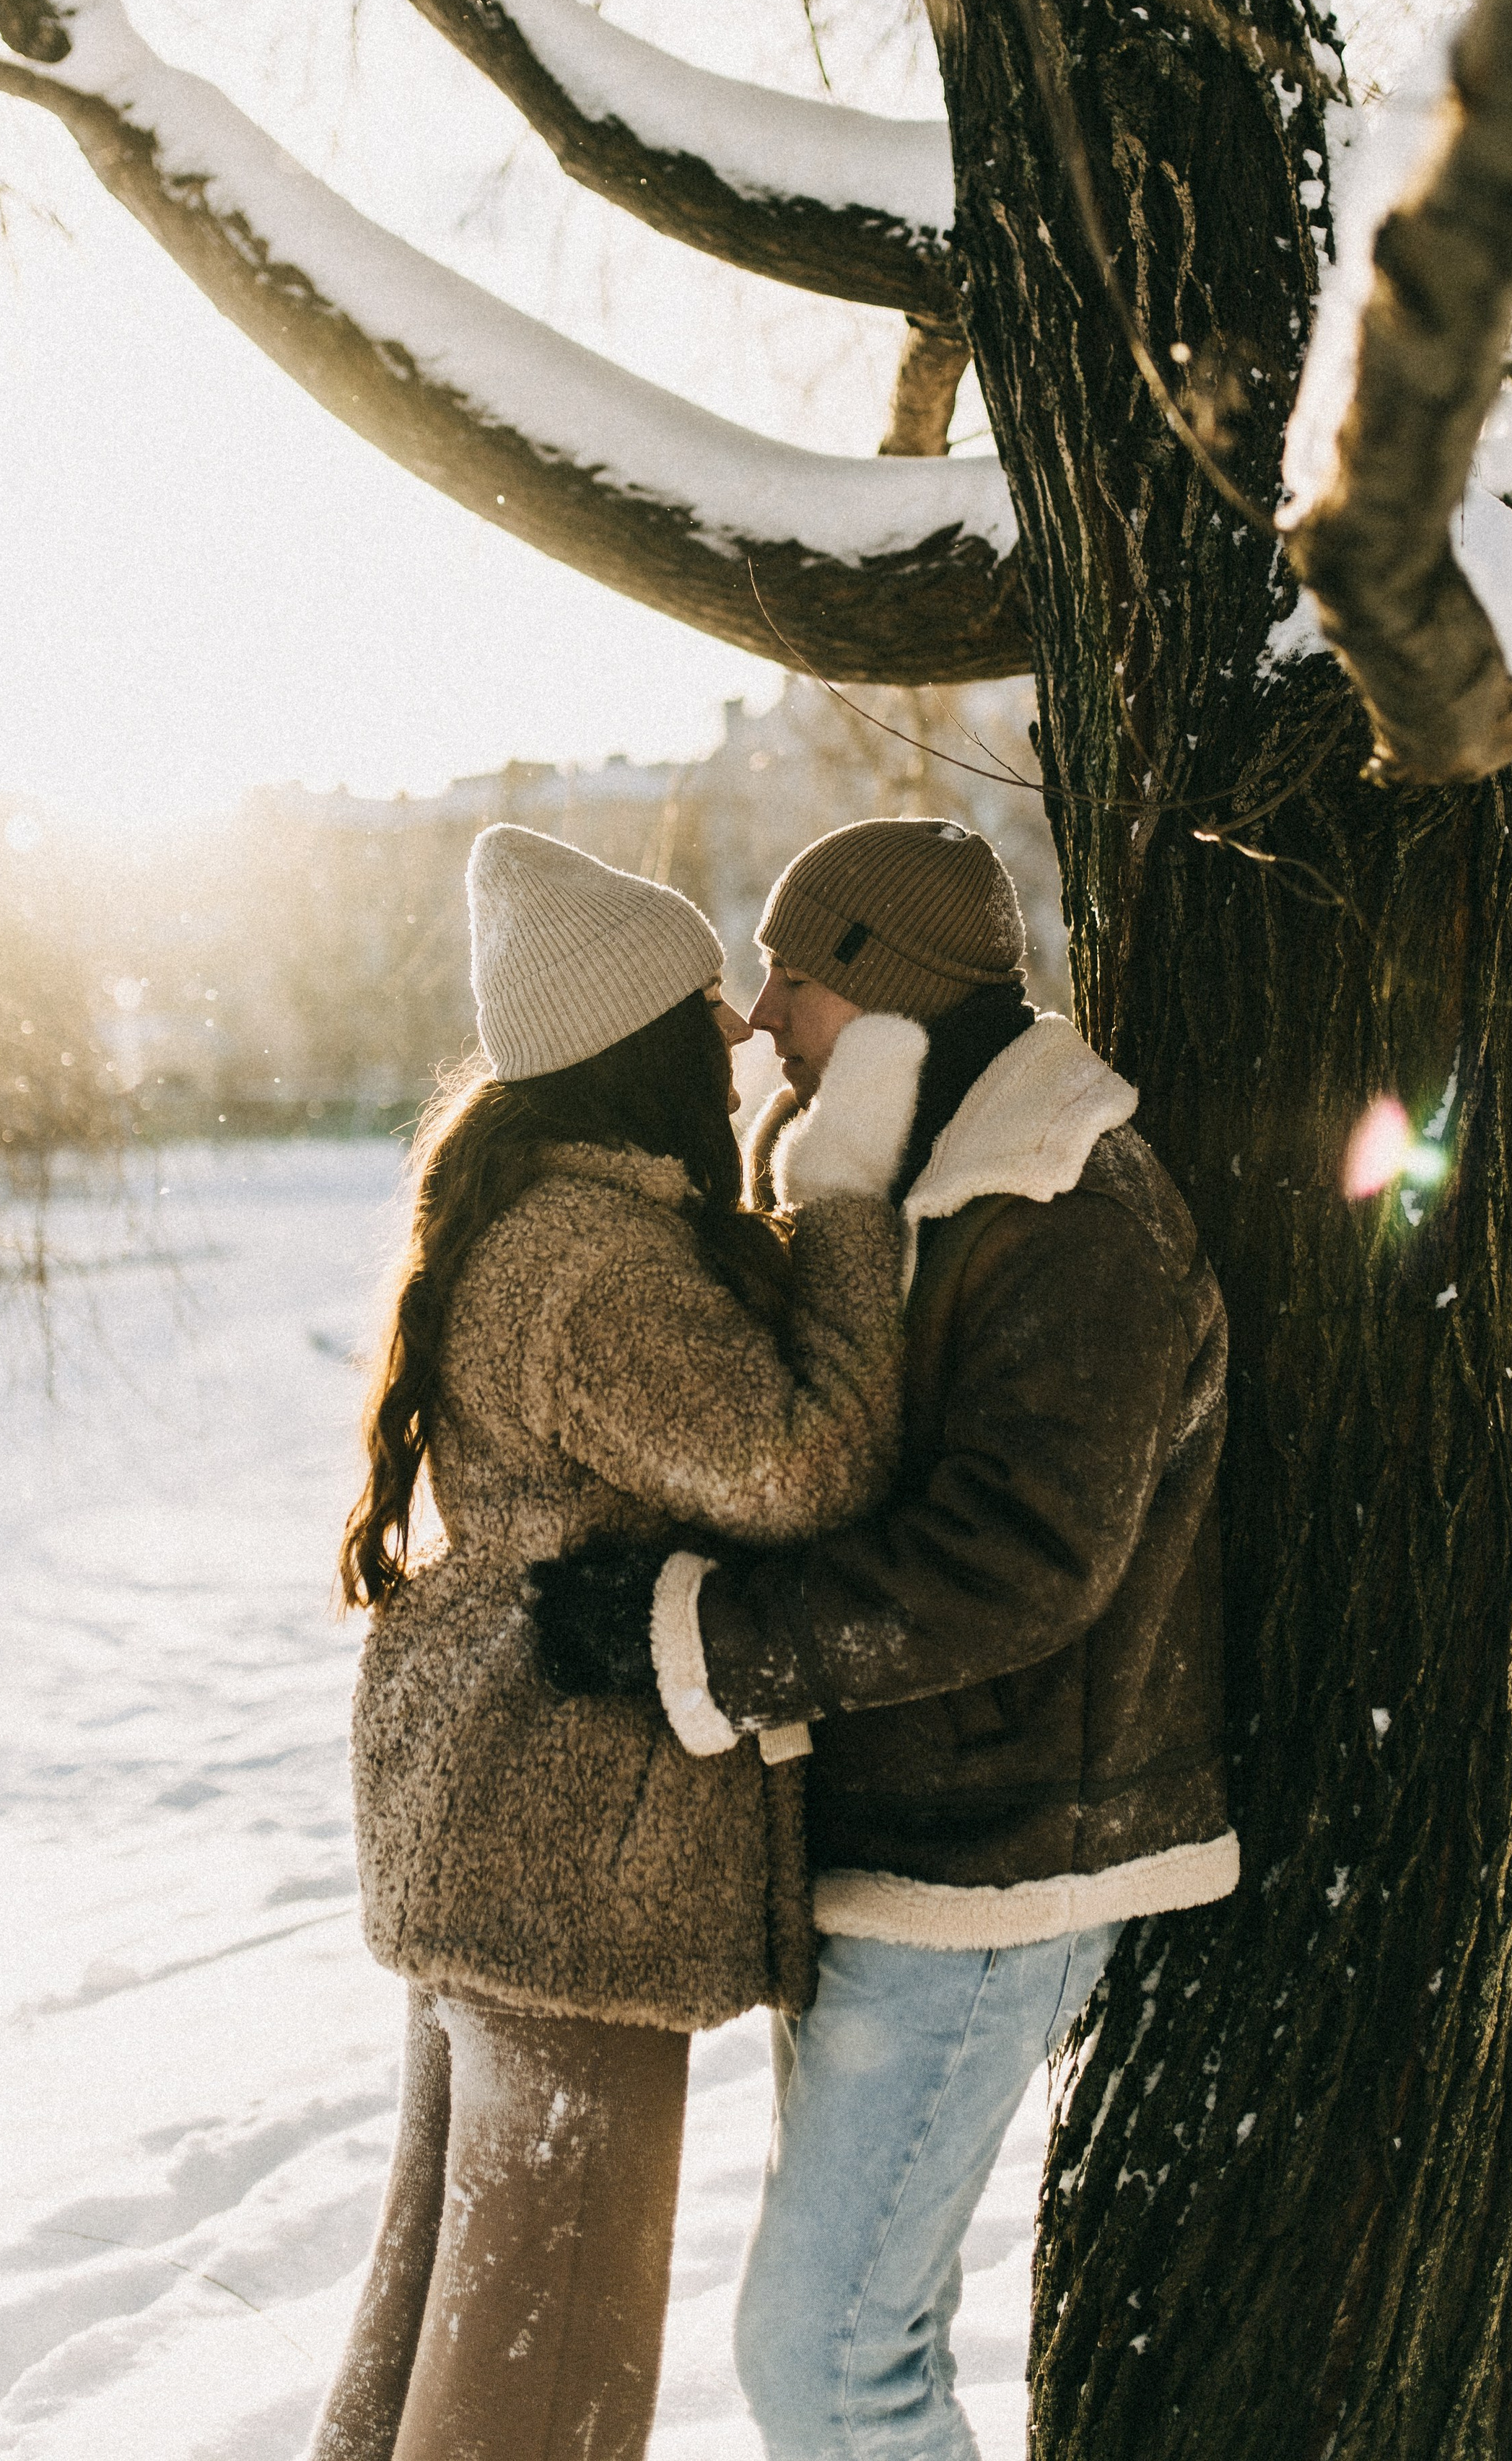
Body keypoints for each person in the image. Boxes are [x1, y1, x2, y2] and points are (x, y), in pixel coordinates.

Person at [530, 815, 1236, 2461]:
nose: (762, 1016)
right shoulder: (899, 1173)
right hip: (897, 1829)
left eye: (793, 974)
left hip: (1003, 1853)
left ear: (891, 982)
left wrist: (702, 1644)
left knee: (825, 2358)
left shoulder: (1068, 1201)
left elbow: (1020, 1564)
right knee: (852, 2340)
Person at [307, 821, 930, 2461]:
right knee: (546, 2373)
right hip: (567, 1862)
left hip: (502, 1835)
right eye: (700, 1003)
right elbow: (798, 1462)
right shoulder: (592, 1265)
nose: (735, 1029)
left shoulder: (553, 1223)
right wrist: (846, 1202)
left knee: (440, 2319)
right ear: (630, 1044)